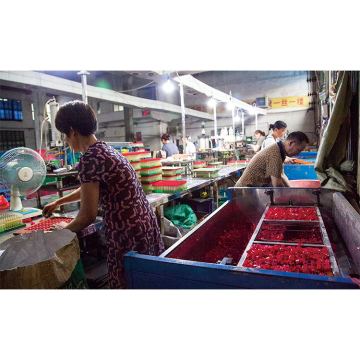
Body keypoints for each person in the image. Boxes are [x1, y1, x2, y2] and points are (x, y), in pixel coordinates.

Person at [42, 100, 164, 289]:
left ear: (73, 131)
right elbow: (89, 189)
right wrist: (59, 202)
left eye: (65, 135)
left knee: (128, 283)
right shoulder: (105, 150)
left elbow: (87, 216)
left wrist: (61, 233)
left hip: (126, 232)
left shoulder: (90, 159)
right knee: (146, 279)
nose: (66, 140)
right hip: (142, 224)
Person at [235, 131, 309, 187]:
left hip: (252, 189)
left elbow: (281, 175)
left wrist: (291, 189)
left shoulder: (280, 152)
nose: (298, 153)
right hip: (244, 190)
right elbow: (277, 184)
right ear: (291, 143)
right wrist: (289, 196)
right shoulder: (275, 153)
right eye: (298, 150)